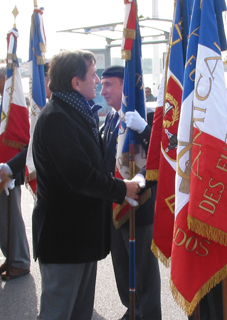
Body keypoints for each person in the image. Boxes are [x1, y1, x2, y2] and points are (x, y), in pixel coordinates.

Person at [32, 50, 140, 319]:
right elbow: (81, 176)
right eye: (92, 75)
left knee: (80, 313)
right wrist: (122, 189)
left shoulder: (78, 113)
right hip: (64, 239)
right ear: (75, 83)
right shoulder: (57, 117)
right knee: (58, 312)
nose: (96, 81)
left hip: (81, 236)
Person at [100, 65, 161, 320]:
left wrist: (146, 129)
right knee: (123, 270)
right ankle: (133, 310)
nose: (102, 91)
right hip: (115, 205)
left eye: (108, 85)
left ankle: (148, 315)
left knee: (143, 273)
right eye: (101, 85)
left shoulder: (144, 116)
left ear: (125, 87)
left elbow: (162, 156)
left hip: (139, 204)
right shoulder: (113, 117)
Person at [188, 89, 227, 320]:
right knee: (192, 290)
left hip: (216, 206)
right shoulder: (184, 100)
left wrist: (208, 141)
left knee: (218, 298)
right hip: (187, 207)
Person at [0, 64, 31, 281]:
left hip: (8, 168)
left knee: (10, 217)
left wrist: (10, 168)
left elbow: (20, 138)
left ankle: (19, 261)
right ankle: (10, 255)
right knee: (2, 219)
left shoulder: (14, 103)